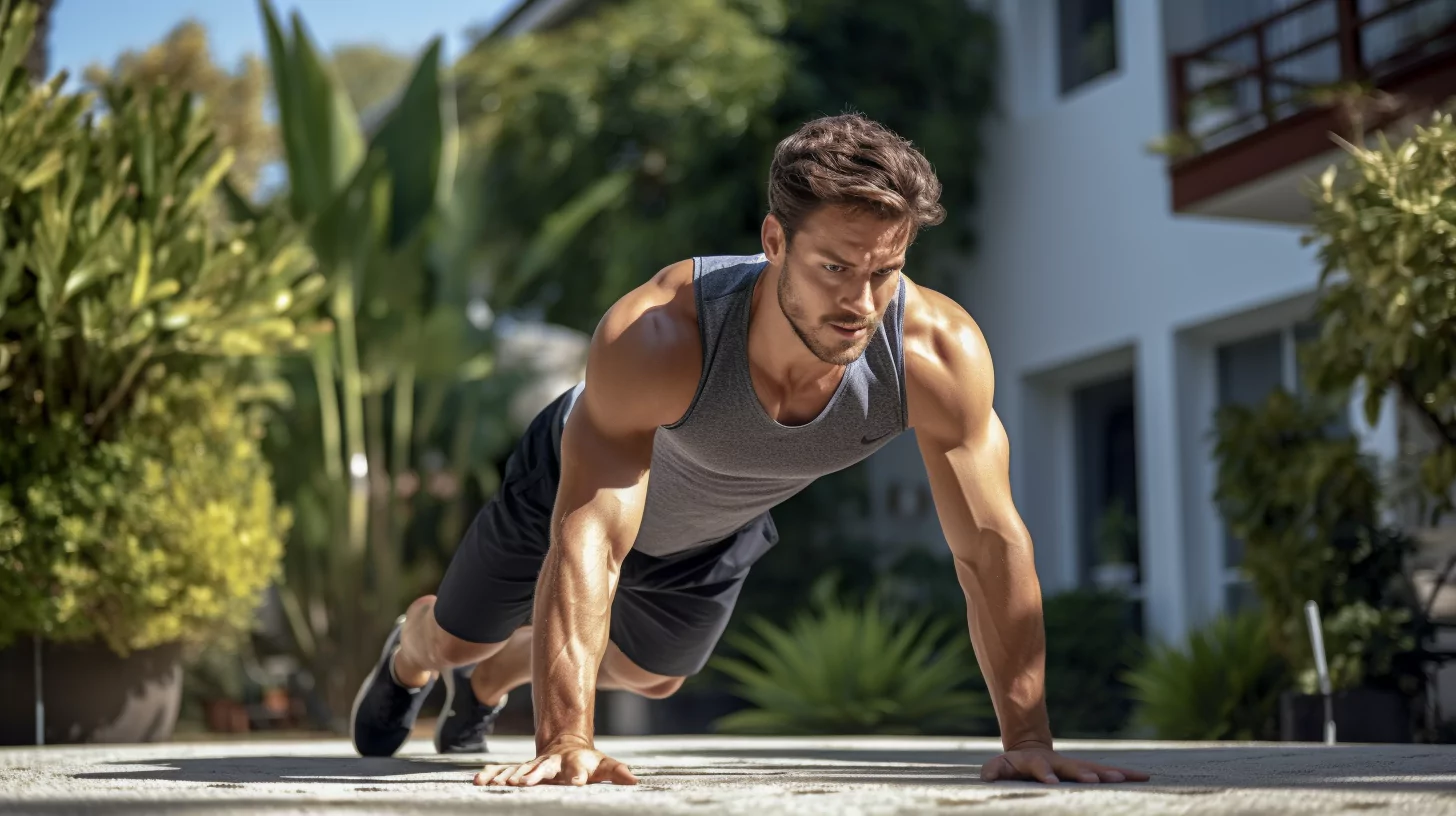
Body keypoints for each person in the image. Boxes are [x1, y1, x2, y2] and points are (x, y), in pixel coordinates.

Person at [350, 112, 1151, 788]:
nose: (861, 302)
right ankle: (411, 658)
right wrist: (566, 739)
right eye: (834, 267)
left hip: (714, 525)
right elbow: (591, 536)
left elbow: (989, 543)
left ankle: (494, 680)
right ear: (774, 240)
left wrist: (1027, 740)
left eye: (886, 271)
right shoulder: (661, 335)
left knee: (655, 676)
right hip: (566, 493)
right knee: (458, 637)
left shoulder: (937, 356)